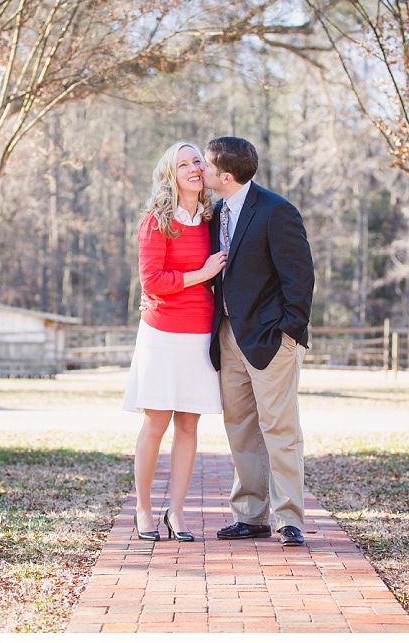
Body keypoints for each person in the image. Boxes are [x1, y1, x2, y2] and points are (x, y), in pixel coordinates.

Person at [200, 136, 315, 547]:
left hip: (271, 339)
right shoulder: (213, 215)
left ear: (225, 176)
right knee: (241, 429)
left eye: (207, 166)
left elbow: (300, 280)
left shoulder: (276, 211)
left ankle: (290, 519)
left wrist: (288, 334)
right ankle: (250, 516)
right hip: (228, 336)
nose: (201, 170)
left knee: (280, 429)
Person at [120, 141, 227, 542]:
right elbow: (153, 283)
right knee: (157, 422)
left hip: (201, 333)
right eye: (184, 164)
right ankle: (143, 510)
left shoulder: (214, 219)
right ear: (171, 174)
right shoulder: (156, 221)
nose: (193, 168)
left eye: (197, 160)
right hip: (162, 335)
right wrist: (200, 274)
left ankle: (177, 513)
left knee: (188, 424)